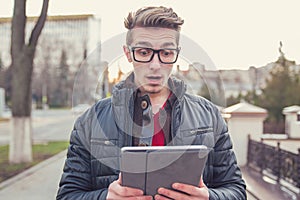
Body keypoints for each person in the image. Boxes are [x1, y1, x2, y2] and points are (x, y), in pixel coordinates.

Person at [57, 6, 246, 200]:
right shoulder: (90, 122)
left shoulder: (210, 116)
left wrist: (209, 198)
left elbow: (236, 191)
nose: (155, 65)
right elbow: (67, 195)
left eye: (166, 53)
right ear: (128, 54)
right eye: (144, 52)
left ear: (176, 54)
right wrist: (106, 197)